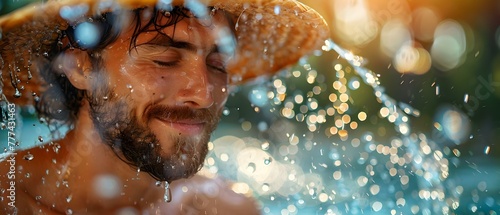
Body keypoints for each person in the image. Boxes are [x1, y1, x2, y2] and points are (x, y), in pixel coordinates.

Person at [0, 0, 328, 214]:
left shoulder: (230, 209)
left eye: (218, 62)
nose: (204, 94)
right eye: (165, 59)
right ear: (81, 67)